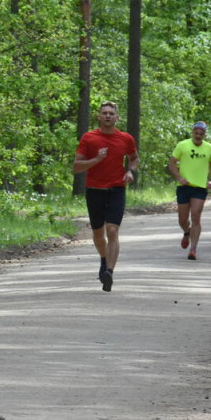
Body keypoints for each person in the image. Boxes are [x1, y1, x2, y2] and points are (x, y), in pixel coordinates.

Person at [73, 101, 140, 292]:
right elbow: (76, 167)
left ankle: (109, 271)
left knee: (112, 230)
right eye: (105, 113)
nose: (108, 116)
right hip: (94, 189)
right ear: (99, 116)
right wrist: (96, 159)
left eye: (111, 113)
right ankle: (104, 260)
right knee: (98, 233)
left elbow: (134, 158)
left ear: (117, 117)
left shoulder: (126, 138)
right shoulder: (89, 138)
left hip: (116, 190)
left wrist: (130, 172)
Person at [168, 122, 211, 261]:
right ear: (192, 132)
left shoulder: (210, 148)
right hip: (184, 186)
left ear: (204, 134)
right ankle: (186, 232)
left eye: (201, 134)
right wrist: (179, 177)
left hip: (200, 187)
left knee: (196, 216)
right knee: (183, 220)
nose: (198, 136)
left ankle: (193, 249)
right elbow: (171, 163)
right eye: (196, 133)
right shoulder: (182, 145)